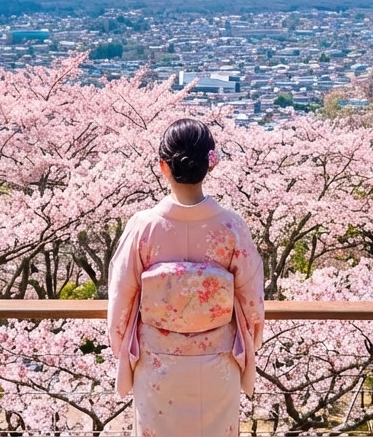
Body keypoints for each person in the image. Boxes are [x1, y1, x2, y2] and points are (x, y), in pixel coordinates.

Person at [107, 118, 265, 437]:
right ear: (210, 164)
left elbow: (121, 303)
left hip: (157, 364)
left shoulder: (143, 227)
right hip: (218, 363)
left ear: (163, 166)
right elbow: (252, 306)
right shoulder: (232, 227)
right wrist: (245, 347)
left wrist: (127, 351)